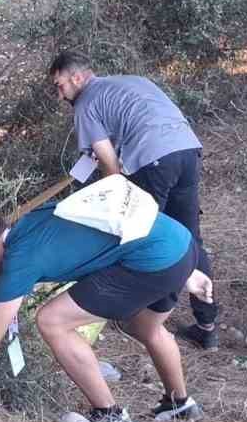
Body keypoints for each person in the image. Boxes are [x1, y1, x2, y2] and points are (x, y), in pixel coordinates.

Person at [0, 197, 207, 422]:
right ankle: (180, 404)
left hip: (156, 259)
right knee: (145, 328)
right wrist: (184, 271)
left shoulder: (20, 259)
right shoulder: (33, 221)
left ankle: (109, 414)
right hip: (180, 244)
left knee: (51, 320)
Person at [48, 52, 218, 349]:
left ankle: (148, 321)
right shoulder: (130, 82)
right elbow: (143, 119)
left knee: (147, 236)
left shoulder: (86, 103)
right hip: (188, 149)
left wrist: (114, 198)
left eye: (59, 85)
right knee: (189, 236)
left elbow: (109, 164)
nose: (59, 94)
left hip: (156, 161)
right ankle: (207, 325)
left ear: (76, 77)